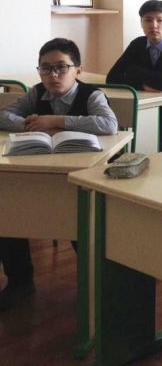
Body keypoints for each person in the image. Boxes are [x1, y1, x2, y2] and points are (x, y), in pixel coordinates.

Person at [0, 38, 118, 311]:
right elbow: (4, 115)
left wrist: (56, 121)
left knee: (77, 220)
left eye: (61, 67)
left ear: (78, 69)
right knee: (8, 210)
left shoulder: (91, 94)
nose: (53, 75)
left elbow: (109, 124)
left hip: (81, 176)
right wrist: (34, 125)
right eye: (45, 68)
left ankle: (97, 282)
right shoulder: (37, 93)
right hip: (38, 173)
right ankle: (20, 281)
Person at [107, 0, 162, 151]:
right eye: (148, 20)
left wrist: (132, 71)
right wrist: (143, 85)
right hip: (144, 108)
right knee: (116, 132)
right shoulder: (138, 44)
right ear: (141, 23)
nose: (154, 25)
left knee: (150, 138)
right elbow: (112, 77)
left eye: (160, 20)